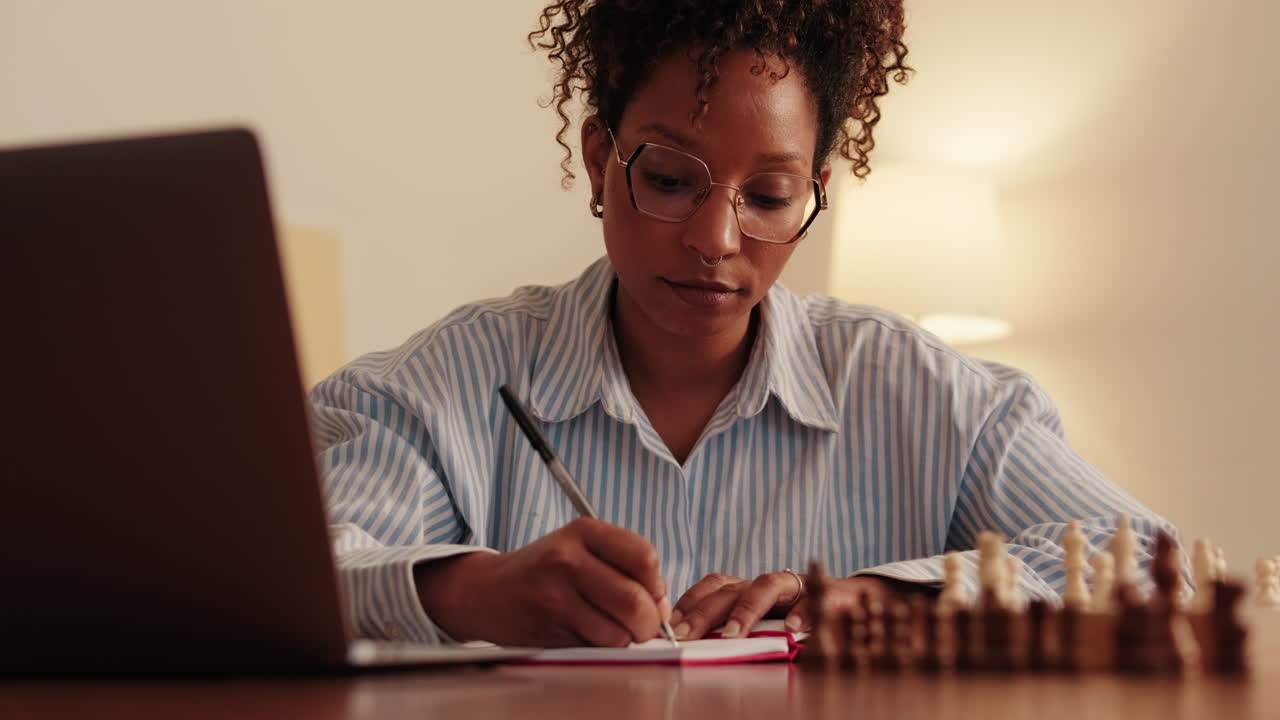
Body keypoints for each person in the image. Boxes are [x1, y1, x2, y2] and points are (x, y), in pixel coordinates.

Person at [310, 0, 1179, 649]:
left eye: (769, 196)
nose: (716, 241)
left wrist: (894, 598)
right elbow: (291, 581)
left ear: (816, 195)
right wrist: (474, 593)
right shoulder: (441, 388)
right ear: (596, 162)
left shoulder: (926, 396)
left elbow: (1143, 556)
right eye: (670, 178)